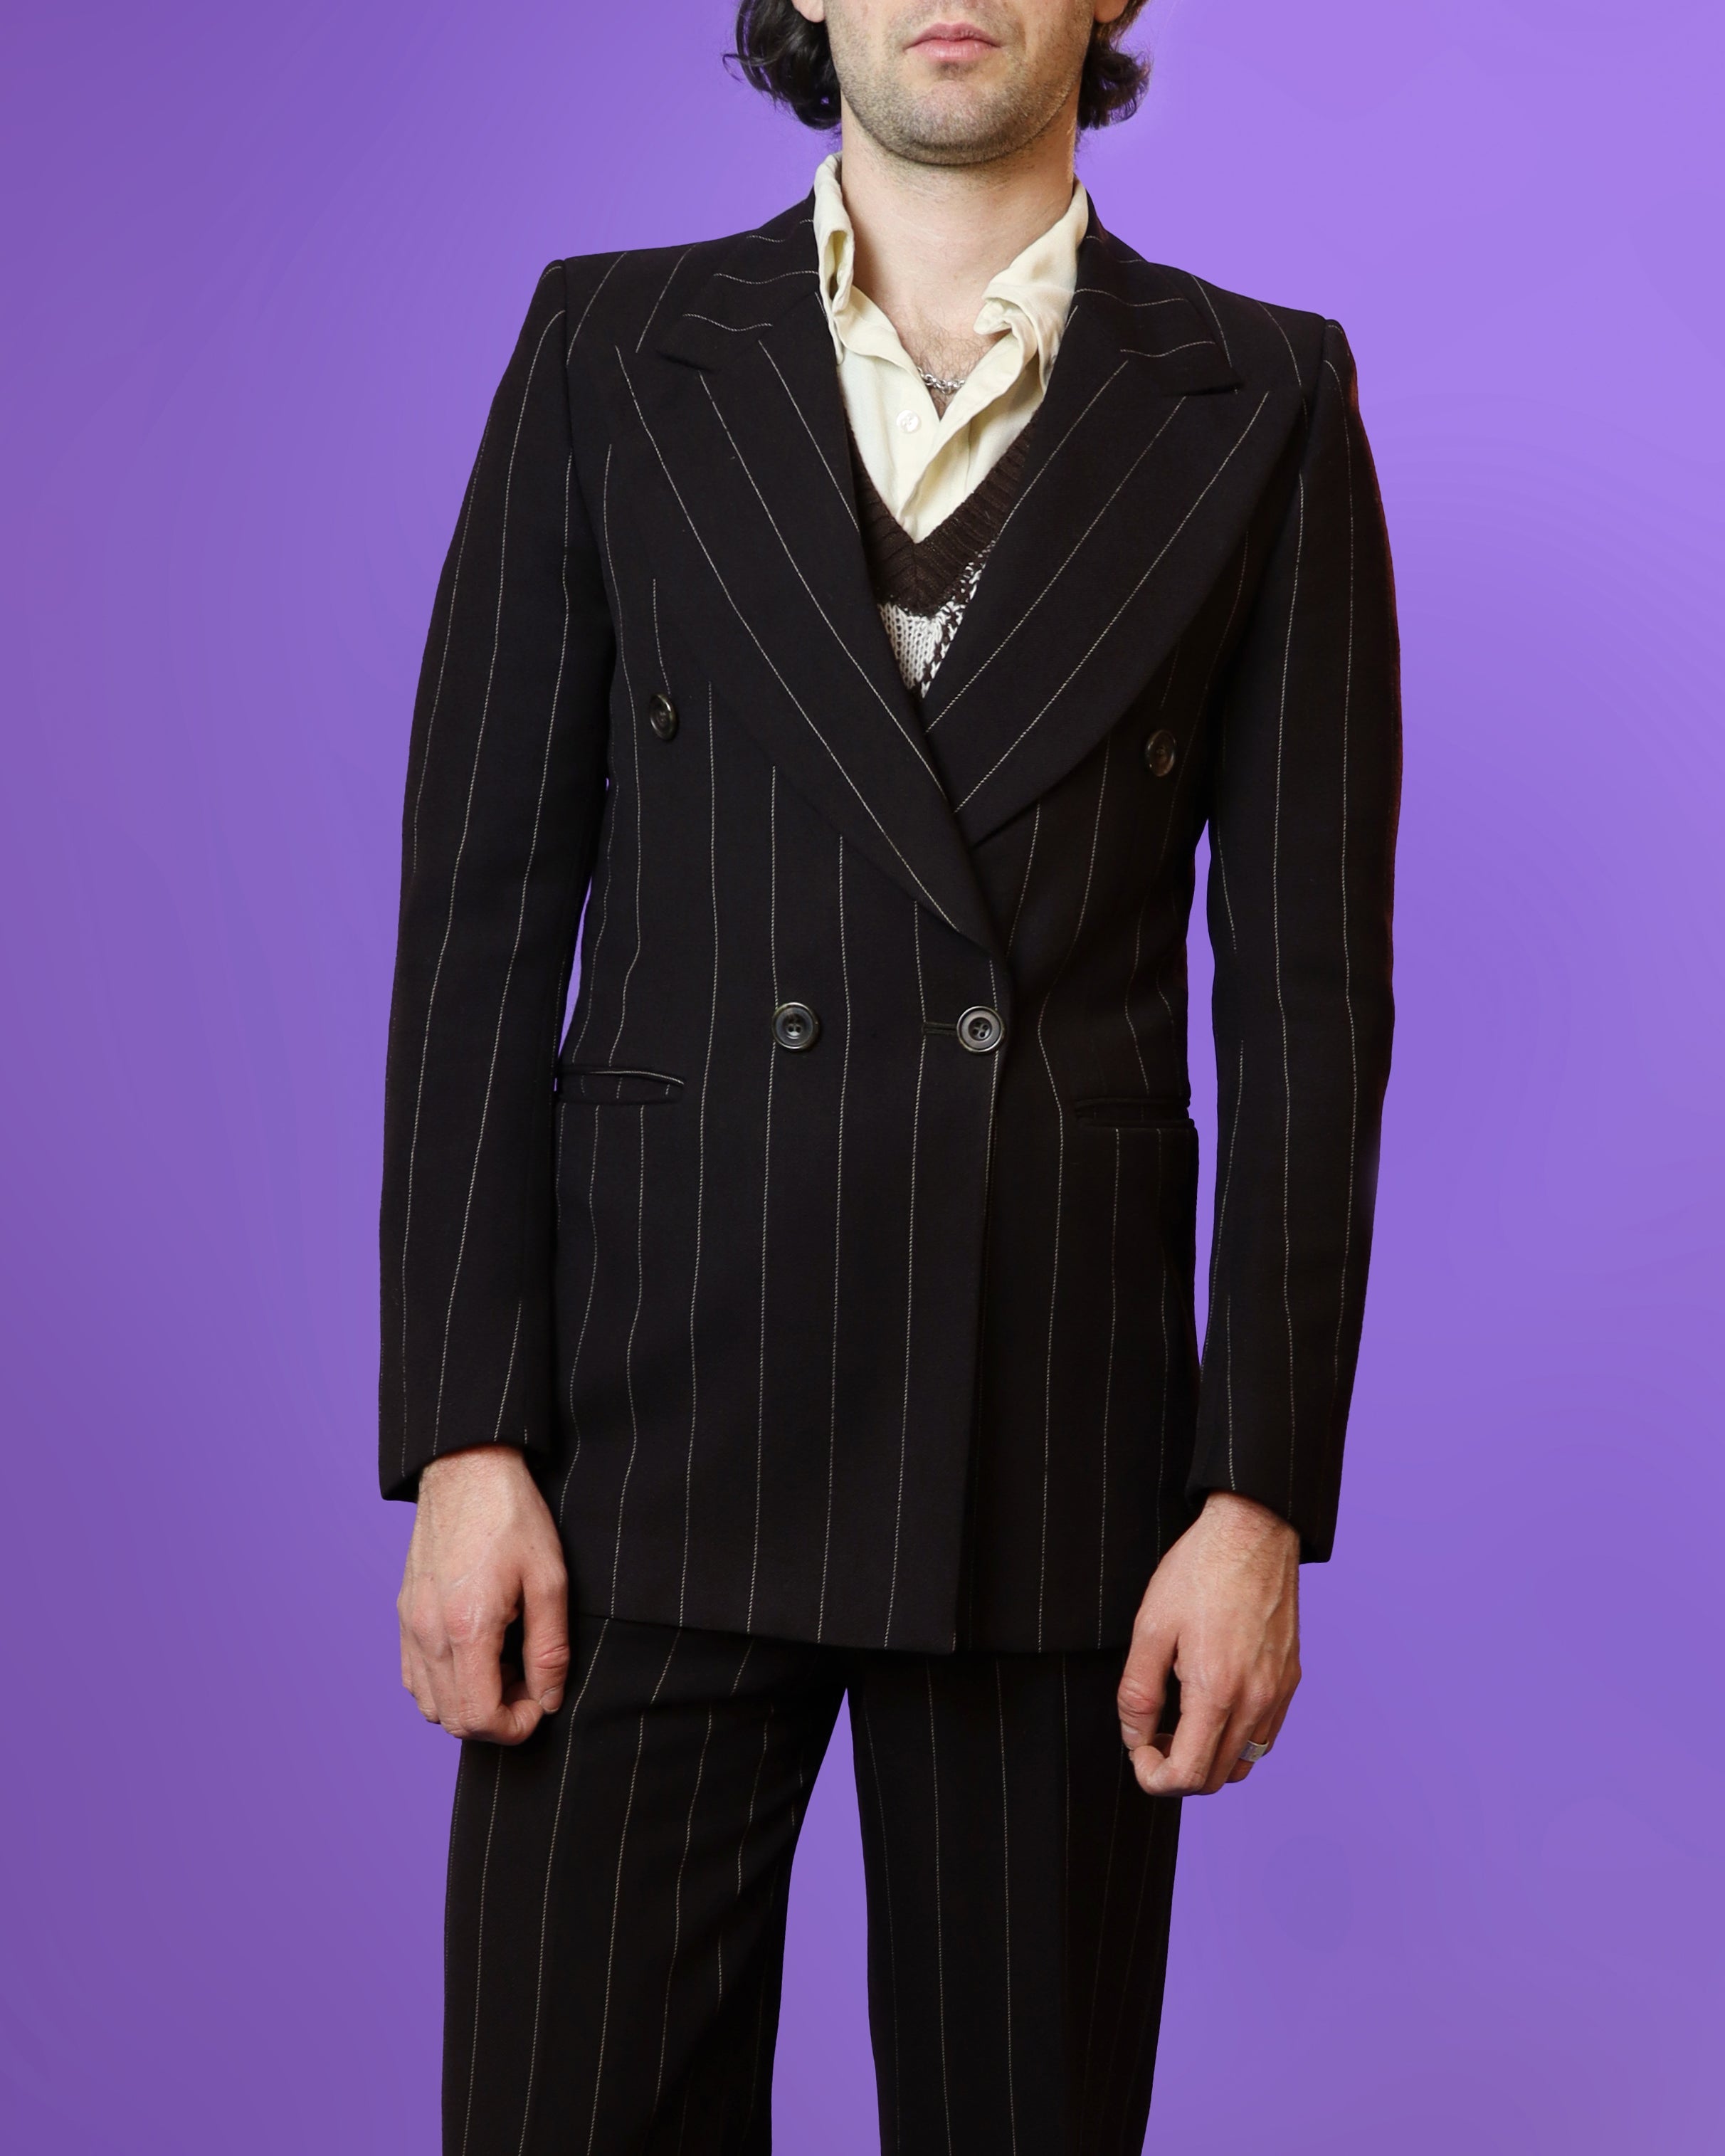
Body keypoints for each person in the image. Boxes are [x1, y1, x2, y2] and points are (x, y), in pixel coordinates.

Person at [379, 1, 1401, 2148]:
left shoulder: (1266, 395)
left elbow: (1309, 1003)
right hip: (636, 1453)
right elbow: (480, 921)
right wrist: (466, 1435)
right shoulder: (608, 352)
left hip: (1056, 1463)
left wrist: (1257, 1497)